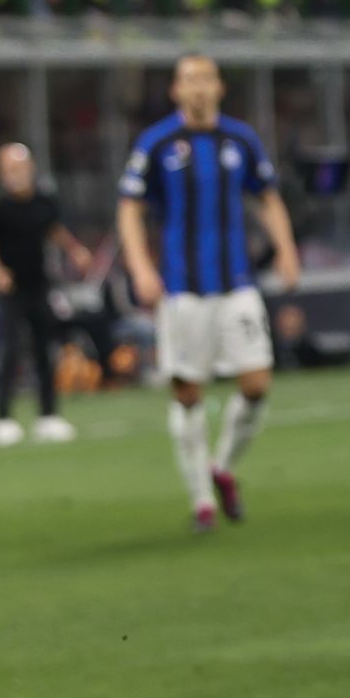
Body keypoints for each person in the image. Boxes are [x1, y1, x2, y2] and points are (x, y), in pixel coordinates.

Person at [117, 54, 301, 531]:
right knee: (188, 393)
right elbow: (129, 208)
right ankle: (202, 500)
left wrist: (286, 249)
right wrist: (140, 268)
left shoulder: (241, 139)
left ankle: (221, 468)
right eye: (188, 80)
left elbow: (267, 196)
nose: (198, 88)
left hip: (237, 282)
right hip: (182, 289)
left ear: (219, 88)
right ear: (175, 91)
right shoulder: (157, 143)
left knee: (257, 384)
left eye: (205, 79)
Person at [0, 143, 93, 446]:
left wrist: (75, 250)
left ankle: (48, 416)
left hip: (39, 285)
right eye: (7, 169)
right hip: (11, 290)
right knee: (10, 350)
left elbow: (54, 230)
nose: (13, 175)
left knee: (45, 350)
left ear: (30, 169)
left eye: (17, 168)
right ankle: (3, 419)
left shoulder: (44, 202)